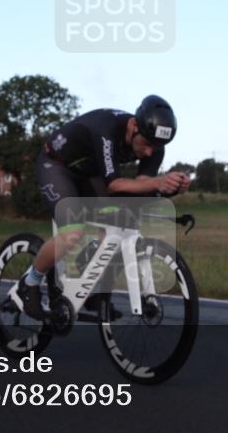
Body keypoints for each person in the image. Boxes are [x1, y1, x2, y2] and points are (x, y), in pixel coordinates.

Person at [11, 95, 191, 320]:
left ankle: (86, 283)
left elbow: (142, 187)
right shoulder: (107, 129)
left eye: (156, 147)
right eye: (146, 144)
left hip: (90, 173)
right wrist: (157, 182)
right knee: (72, 233)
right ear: (133, 126)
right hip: (56, 166)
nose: (149, 153)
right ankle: (29, 283)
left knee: (115, 225)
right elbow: (114, 184)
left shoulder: (154, 145)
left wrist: (170, 188)